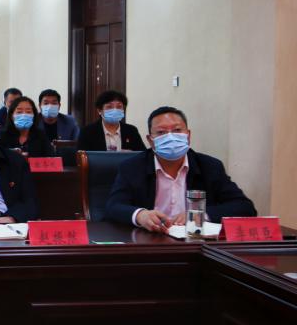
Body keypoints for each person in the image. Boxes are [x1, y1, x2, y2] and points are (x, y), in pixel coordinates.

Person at [105, 106, 256, 232]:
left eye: (177, 130)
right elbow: (113, 206)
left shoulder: (210, 166)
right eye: (161, 132)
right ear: (150, 140)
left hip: (195, 243)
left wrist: (200, 215)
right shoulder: (132, 167)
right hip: (149, 240)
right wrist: (140, 215)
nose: (170, 137)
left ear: (188, 136)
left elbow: (244, 207)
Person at [77, 90, 145, 152]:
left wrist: (131, 154)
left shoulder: (131, 130)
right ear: (99, 110)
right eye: (109, 107)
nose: (115, 110)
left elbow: (143, 155)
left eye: (119, 107)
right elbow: (80, 157)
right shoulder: (87, 132)